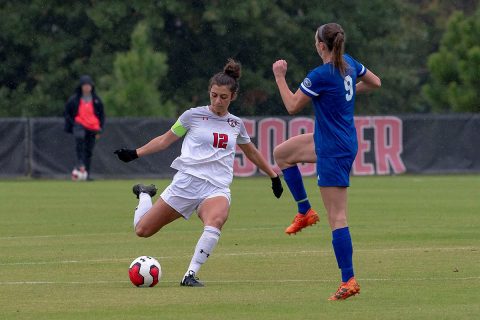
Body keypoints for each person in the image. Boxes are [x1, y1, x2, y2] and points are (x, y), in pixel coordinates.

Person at [114, 59, 284, 287]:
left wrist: (273, 175)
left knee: (216, 219)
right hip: (186, 183)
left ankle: (190, 274)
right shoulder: (191, 116)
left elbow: (251, 151)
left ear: (233, 97)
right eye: (214, 95)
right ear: (209, 92)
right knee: (143, 230)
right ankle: (144, 194)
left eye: (223, 97)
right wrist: (135, 153)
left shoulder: (235, 124)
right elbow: (165, 140)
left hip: (216, 187)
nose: (217, 101)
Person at [272, 23, 381, 300]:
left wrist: (279, 76)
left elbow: (292, 106)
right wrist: (350, 91)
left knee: (338, 218)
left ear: (321, 45)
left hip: (333, 149)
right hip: (332, 140)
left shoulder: (321, 75)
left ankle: (349, 280)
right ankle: (305, 211)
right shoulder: (349, 64)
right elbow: (375, 82)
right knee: (282, 154)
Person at [64, 75, 105, 180]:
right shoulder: (74, 99)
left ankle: (86, 174)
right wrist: (73, 124)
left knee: (89, 151)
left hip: (93, 127)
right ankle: (80, 163)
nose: (87, 87)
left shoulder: (96, 100)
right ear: (81, 87)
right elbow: (67, 112)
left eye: (89, 85)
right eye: (85, 85)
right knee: (80, 139)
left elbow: (102, 115)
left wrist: (100, 129)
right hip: (79, 125)